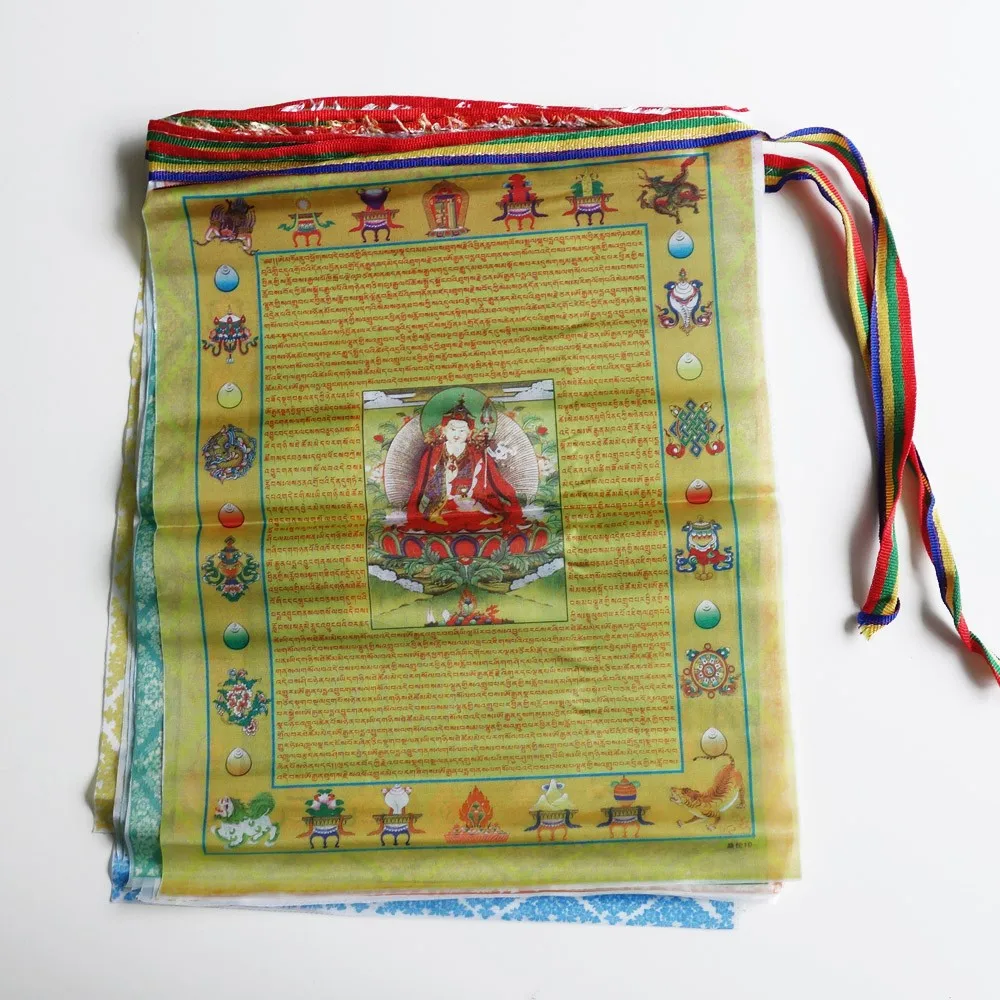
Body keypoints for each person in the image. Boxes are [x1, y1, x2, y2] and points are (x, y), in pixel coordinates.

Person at [405, 397, 523, 534]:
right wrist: (412, 511)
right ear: (443, 430)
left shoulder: (478, 453)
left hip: (473, 503)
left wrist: (513, 501)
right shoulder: (433, 454)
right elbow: (420, 484)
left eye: (462, 430)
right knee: (437, 524)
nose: (456, 434)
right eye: (452, 429)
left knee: (492, 520)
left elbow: (496, 480)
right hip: (442, 505)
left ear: (469, 433)